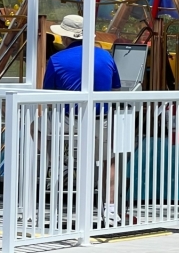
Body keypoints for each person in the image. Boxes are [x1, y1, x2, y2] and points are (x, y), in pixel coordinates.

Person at [43, 14, 122, 225]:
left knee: (35, 128)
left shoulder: (56, 60)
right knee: (109, 159)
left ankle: (56, 161)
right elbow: (115, 89)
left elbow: (48, 96)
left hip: (68, 119)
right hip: (101, 118)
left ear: (66, 37)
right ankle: (110, 209)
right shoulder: (106, 57)